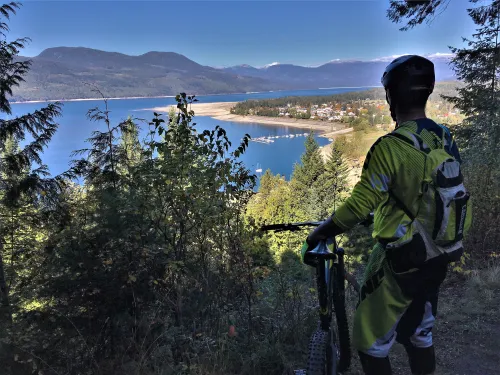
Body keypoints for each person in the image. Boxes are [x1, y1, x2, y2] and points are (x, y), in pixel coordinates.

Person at [303, 55, 469, 375]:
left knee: (369, 341)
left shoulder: (390, 146)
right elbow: (424, 193)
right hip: (441, 253)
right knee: (420, 333)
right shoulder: (444, 136)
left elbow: (358, 205)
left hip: (404, 261)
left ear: (391, 96)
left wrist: (320, 232)